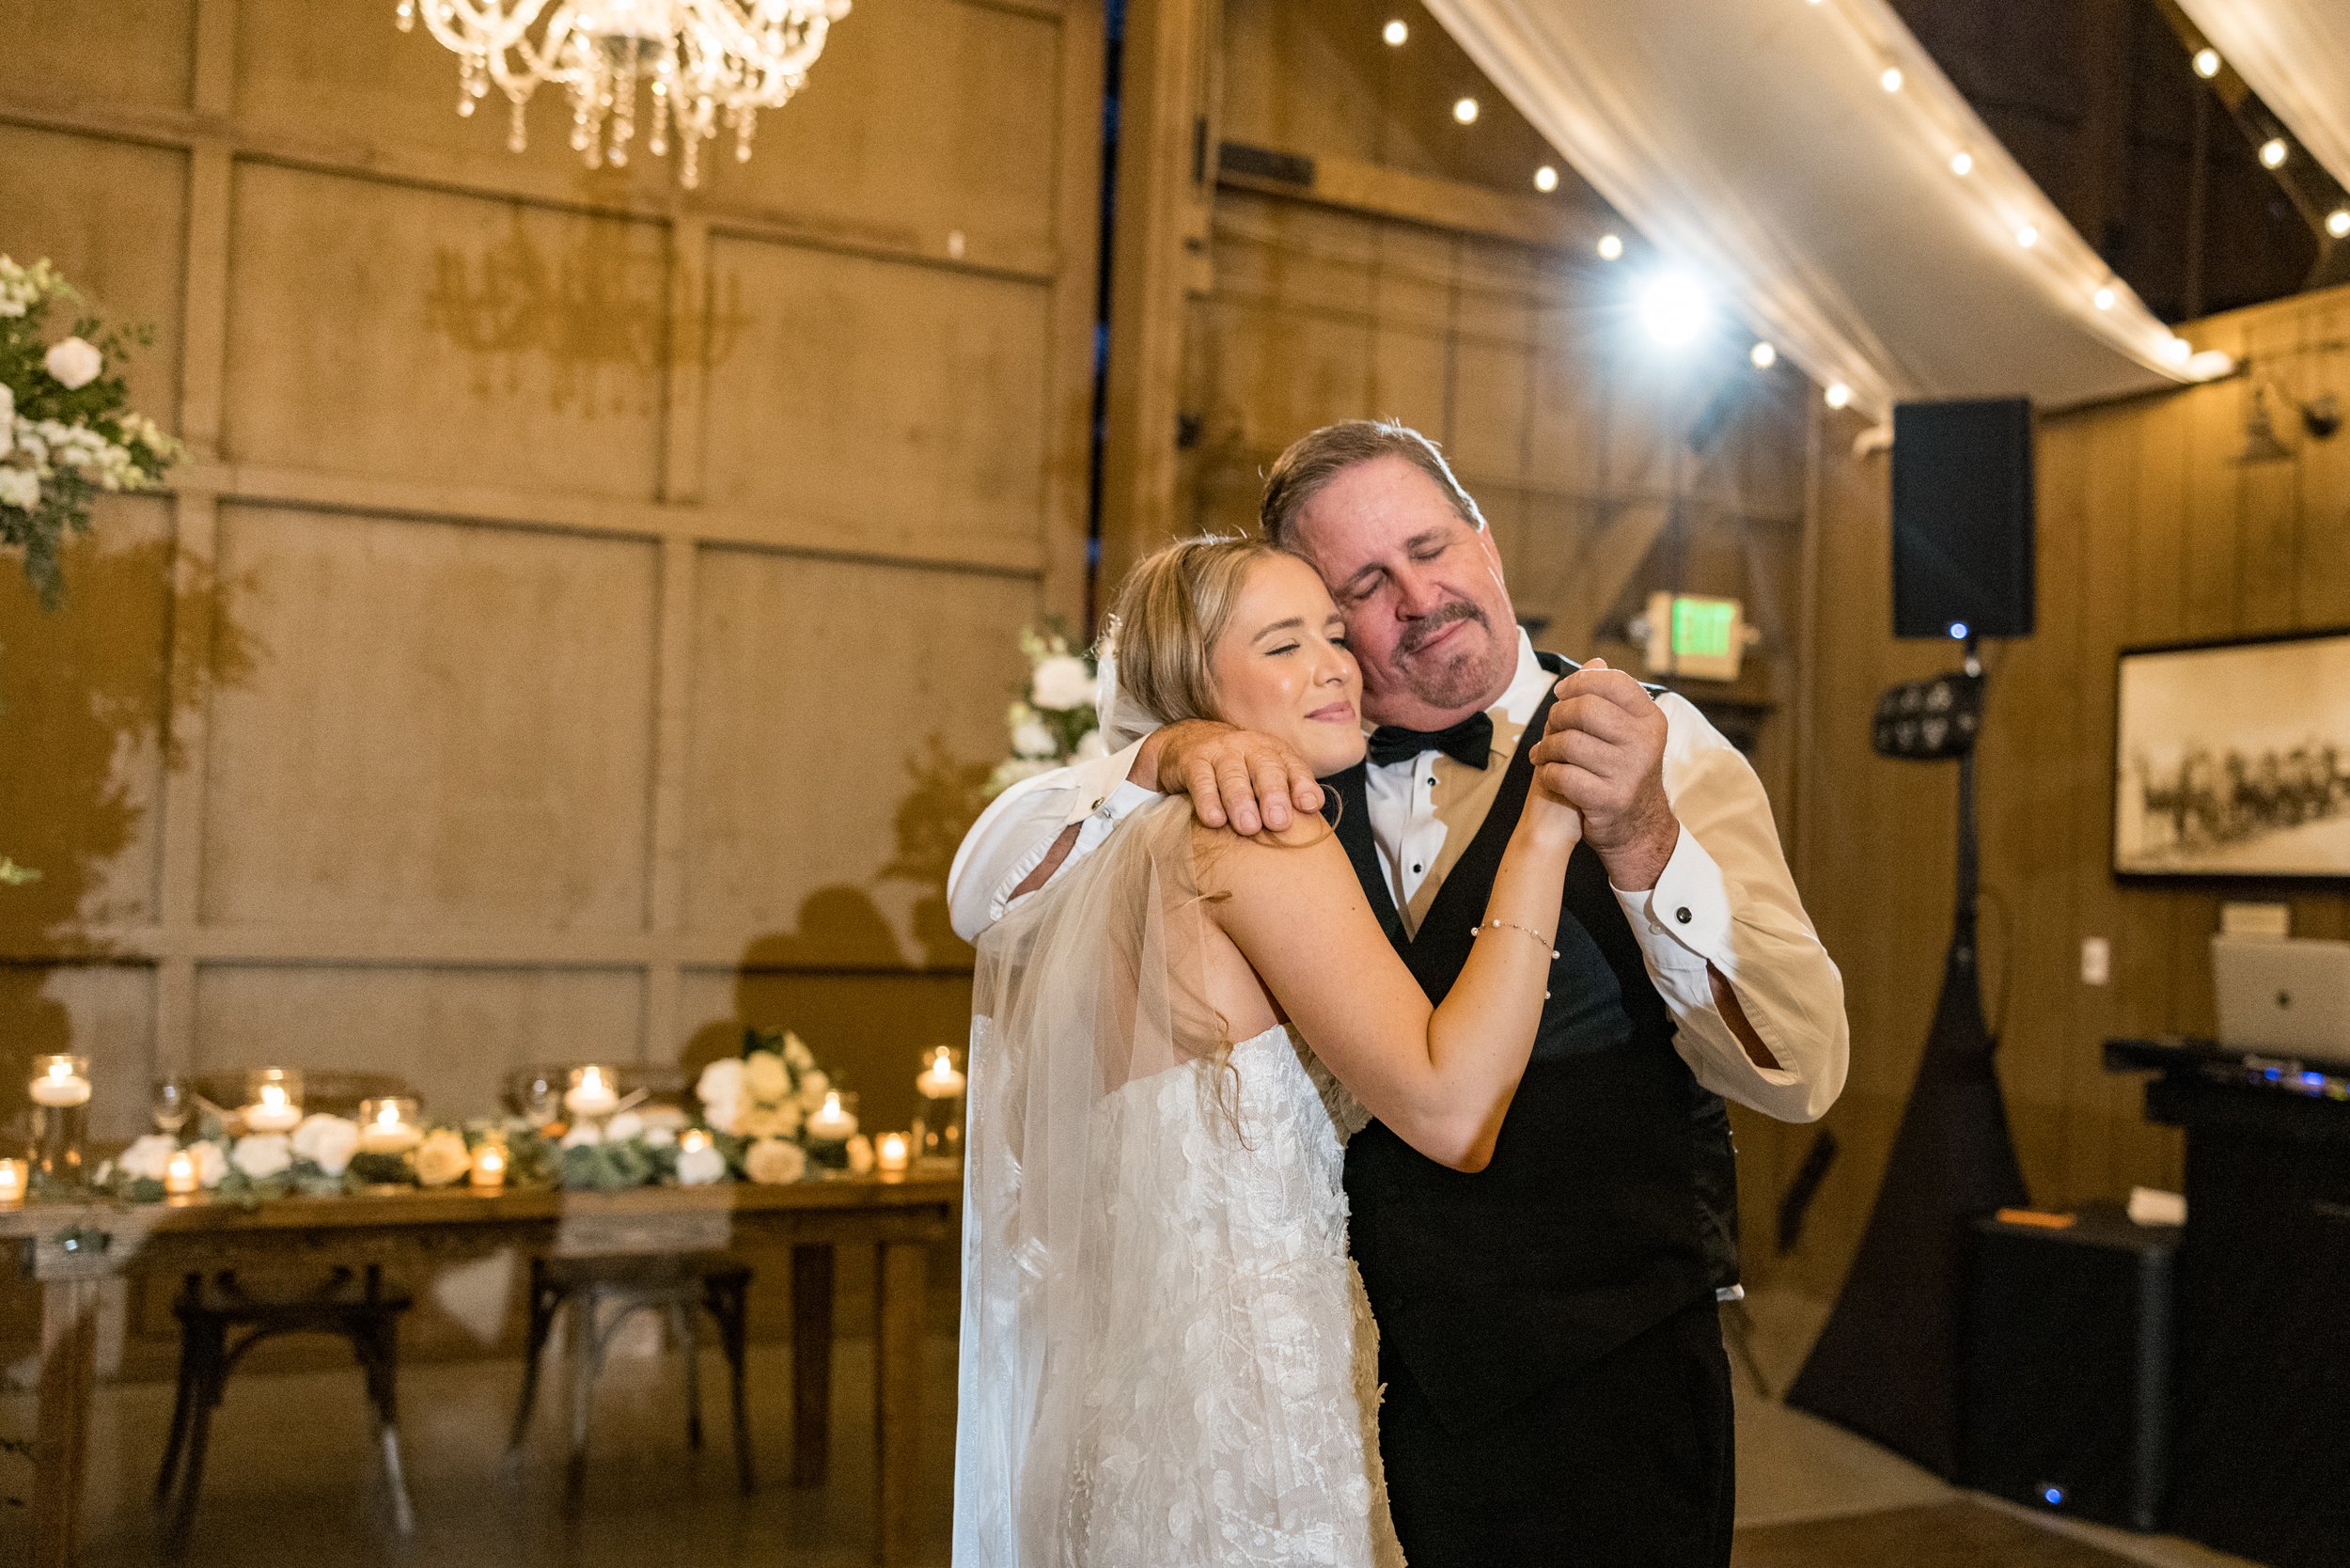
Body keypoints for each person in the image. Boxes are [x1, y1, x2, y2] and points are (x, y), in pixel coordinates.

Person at [951, 420, 1849, 1567]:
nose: (1416, 598)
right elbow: (982, 895)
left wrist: (1641, 837)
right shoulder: (1279, 764)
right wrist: (1155, 755)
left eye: (1429, 549)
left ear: (1486, 540)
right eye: (1362, 588)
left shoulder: (1657, 741)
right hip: (1350, 1401)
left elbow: (1802, 1071)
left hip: (1601, 1392)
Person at [953, 534, 1584, 1567]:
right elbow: (1454, 1112)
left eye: (1334, 635)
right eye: (1284, 646)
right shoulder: (1255, 834)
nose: (1336, 666)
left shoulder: (1114, 866)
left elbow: (981, 899)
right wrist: (1543, 832)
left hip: (1126, 1417)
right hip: (1254, 1422)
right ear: (1189, 692)